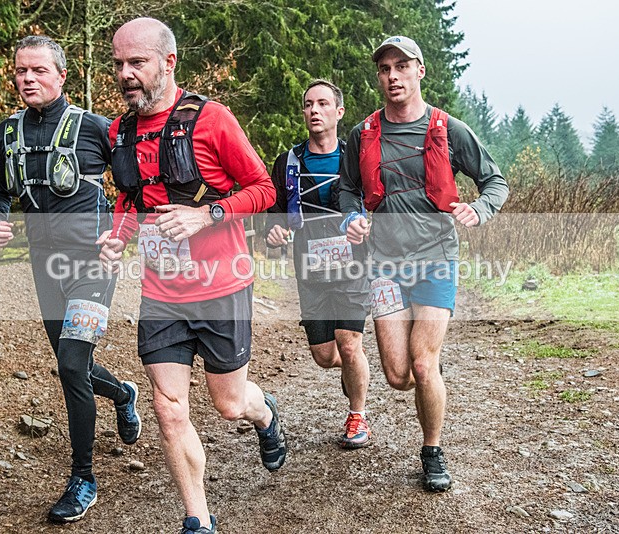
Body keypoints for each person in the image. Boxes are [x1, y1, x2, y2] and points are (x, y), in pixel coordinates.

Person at [97, 18, 285, 534]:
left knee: (228, 405)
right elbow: (131, 197)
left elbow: (263, 189)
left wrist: (208, 215)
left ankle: (264, 412)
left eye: (137, 62)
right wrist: (119, 235)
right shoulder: (122, 130)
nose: (125, 74)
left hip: (222, 286)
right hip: (161, 293)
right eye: (118, 64)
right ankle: (198, 520)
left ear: (168, 62)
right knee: (168, 407)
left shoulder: (212, 120)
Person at [340, 36, 509, 492]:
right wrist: (353, 219)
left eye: (401, 66)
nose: (392, 76)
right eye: (384, 69)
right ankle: (430, 380)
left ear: (420, 71)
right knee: (397, 376)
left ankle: (432, 450)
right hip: (384, 266)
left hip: (436, 260)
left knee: (421, 364)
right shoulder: (363, 133)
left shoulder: (448, 128)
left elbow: (495, 181)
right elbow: (348, 190)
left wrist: (480, 208)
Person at [0, 35, 141, 523]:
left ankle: (83, 478)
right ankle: (121, 393)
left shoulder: (96, 129)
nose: (27, 79)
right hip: (44, 268)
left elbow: (135, 189)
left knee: (72, 364)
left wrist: (120, 238)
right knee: (73, 364)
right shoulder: (6, 132)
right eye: (20, 72)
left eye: (38, 71)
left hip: (93, 267)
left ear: (61, 76)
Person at [265, 80, 372, 448]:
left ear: (339, 112)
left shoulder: (356, 159)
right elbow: (273, 214)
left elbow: (374, 203)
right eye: (308, 104)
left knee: (350, 341)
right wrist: (274, 233)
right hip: (310, 268)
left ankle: (357, 416)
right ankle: (356, 369)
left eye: (323, 103)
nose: (314, 110)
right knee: (325, 356)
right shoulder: (288, 163)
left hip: (352, 265)